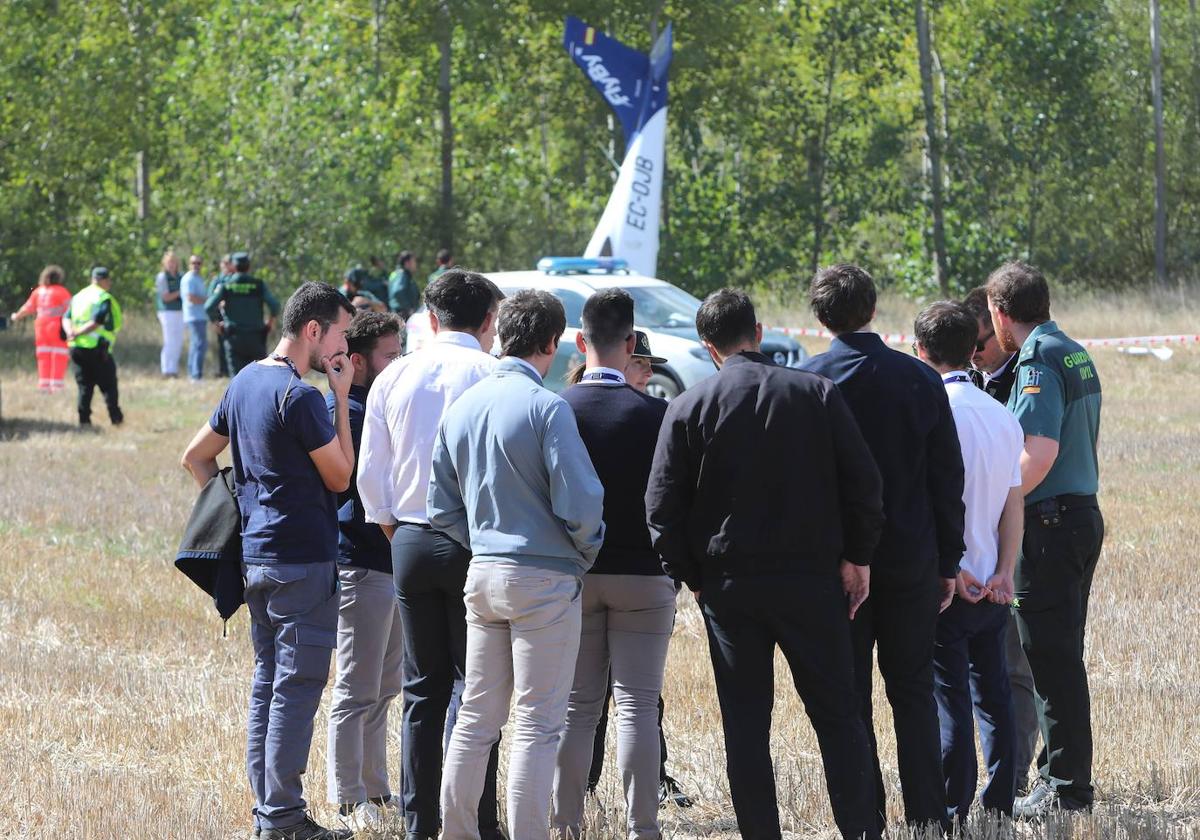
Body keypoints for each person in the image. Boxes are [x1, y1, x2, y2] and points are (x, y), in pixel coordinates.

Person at [645, 288, 884, 840]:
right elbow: (864, 486)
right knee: (838, 717)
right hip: (811, 580)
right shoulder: (817, 393)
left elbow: (660, 508)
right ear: (758, 330)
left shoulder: (688, 406)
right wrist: (858, 557)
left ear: (708, 347)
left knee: (746, 725)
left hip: (730, 586)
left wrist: (694, 577)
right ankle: (861, 830)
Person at [181, 282, 357, 840]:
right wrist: (341, 395)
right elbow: (341, 475)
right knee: (298, 687)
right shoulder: (301, 396)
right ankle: (281, 817)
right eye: (341, 334)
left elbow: (196, 457)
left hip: (256, 556)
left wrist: (242, 507)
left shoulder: (245, 381)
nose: (343, 347)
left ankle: (269, 809)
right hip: (303, 559)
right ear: (313, 331)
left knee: (268, 682)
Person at [429, 289, 605, 840]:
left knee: (476, 719)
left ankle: (456, 833)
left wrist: (482, 541)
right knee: (536, 724)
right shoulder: (547, 407)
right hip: (545, 578)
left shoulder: (462, 407)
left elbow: (440, 506)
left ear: (502, 333)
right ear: (551, 343)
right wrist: (581, 552)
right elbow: (581, 502)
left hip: (482, 574)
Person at [802, 264, 965, 834]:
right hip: (912, 562)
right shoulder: (920, 379)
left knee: (849, 700)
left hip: (837, 567)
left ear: (820, 319)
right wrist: (949, 561)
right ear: (873, 309)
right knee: (915, 693)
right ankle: (926, 816)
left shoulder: (810, 381)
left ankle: (864, 819)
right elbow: (948, 480)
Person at [358, 269, 507, 840]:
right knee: (480, 689)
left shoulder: (396, 375)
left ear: (431, 318)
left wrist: (396, 531)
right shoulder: (493, 373)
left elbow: (372, 471)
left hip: (412, 537)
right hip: (478, 539)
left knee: (422, 689)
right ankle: (476, 818)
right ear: (489, 321)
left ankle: (420, 821)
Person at [551, 290, 674, 840]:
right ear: (631, 345)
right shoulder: (657, 413)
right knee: (637, 707)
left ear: (580, 342)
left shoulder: (557, 409)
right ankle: (642, 827)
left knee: (578, 709)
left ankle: (566, 825)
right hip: (645, 575)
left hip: (576, 576)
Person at [986, 261, 1104, 818]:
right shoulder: (1073, 349)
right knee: (1062, 656)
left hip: (1050, 524)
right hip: (1078, 516)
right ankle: (1059, 775)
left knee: (1050, 660)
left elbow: (1038, 453)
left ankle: (1066, 789)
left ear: (1001, 313)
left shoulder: (1036, 360)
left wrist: (991, 507)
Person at [913, 301, 1024, 822]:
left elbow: (934, 501)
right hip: (992, 581)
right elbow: (1012, 503)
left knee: (949, 699)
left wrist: (949, 568)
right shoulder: (1002, 416)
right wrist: (1005, 570)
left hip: (950, 582)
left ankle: (953, 808)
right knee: (994, 695)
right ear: (974, 350)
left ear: (919, 352)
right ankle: (1000, 800)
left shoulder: (931, 414)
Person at [324, 311, 406, 833]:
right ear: (358, 361)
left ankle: (375, 785)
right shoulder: (348, 413)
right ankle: (347, 796)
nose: (397, 364)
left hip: (395, 564)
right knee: (356, 687)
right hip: (360, 563)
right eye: (388, 356)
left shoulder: (378, 405)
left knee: (387, 684)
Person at [963, 284, 1038, 792]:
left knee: (1012, 669)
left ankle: (1008, 780)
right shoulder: (967, 381)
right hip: (968, 547)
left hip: (1013, 541)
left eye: (983, 342)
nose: (977, 353)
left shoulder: (1024, 378)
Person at [63, 266, 124, 427]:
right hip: (98, 349)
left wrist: (71, 332)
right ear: (103, 280)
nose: (109, 283)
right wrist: (79, 333)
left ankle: (84, 421)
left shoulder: (79, 296)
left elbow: (66, 317)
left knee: (84, 386)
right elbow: (98, 320)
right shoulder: (102, 297)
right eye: (108, 280)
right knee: (109, 386)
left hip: (77, 348)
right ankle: (116, 419)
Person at [205, 252, 281, 375]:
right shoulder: (258, 285)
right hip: (256, 337)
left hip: (234, 337)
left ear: (233, 267)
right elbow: (275, 305)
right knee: (259, 377)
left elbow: (209, 306)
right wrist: (270, 322)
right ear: (249, 267)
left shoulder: (226, 285)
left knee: (237, 379)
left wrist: (216, 323)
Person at [10, 264, 72, 392]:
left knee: (43, 355)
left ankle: (44, 385)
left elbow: (28, 308)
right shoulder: (62, 291)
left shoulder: (38, 291)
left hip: (41, 328)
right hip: (57, 327)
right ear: (58, 278)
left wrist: (16, 316)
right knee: (59, 355)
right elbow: (72, 310)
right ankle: (56, 386)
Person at [964, 286, 1019, 403]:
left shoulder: (1024, 378)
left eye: (978, 345)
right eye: (964, 344)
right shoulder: (962, 371)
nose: (969, 353)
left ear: (1002, 330)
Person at [155, 249, 184, 378]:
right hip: (167, 312)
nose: (172, 264)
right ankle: (166, 370)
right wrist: (179, 293)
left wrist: (178, 294)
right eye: (169, 262)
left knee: (178, 341)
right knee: (169, 341)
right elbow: (166, 297)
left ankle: (174, 370)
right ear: (165, 264)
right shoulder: (162, 277)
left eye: (174, 262)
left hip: (180, 311)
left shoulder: (181, 276)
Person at [182, 255, 209, 382]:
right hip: (194, 316)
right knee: (199, 345)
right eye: (193, 263)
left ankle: (192, 373)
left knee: (196, 344)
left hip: (201, 316)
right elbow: (191, 298)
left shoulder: (199, 278)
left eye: (198, 263)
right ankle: (196, 375)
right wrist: (208, 301)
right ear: (189, 264)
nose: (196, 265)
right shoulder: (189, 279)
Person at [209, 255, 234, 377]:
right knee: (222, 344)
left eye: (229, 263)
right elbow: (210, 299)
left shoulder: (235, 279)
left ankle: (231, 370)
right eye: (225, 264)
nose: (227, 266)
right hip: (220, 316)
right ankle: (223, 370)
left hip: (234, 316)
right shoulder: (217, 280)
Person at [388, 251, 420, 319]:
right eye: (414, 261)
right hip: (404, 315)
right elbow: (398, 291)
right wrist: (409, 309)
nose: (416, 264)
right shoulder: (403, 274)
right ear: (407, 263)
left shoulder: (395, 274)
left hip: (397, 314)